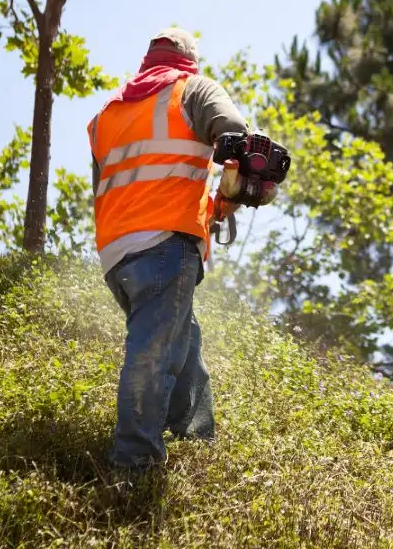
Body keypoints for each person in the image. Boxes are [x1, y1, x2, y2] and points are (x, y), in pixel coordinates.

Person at [87, 27, 255, 470]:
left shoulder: (107, 114)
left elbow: (129, 184)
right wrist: (238, 186)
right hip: (166, 245)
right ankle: (133, 466)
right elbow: (235, 133)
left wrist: (215, 206)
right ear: (188, 60)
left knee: (181, 341)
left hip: (117, 254)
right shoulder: (193, 89)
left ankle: (196, 440)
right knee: (152, 354)